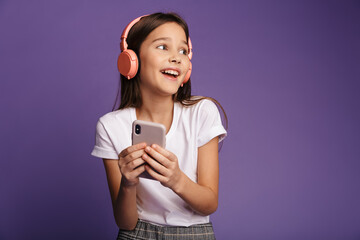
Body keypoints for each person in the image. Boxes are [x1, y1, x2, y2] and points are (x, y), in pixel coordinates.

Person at [91, 12, 227, 240]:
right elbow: (125, 222)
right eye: (163, 47)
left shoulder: (202, 111)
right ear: (131, 60)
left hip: (194, 233)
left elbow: (209, 204)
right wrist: (128, 183)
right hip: (136, 234)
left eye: (183, 51)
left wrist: (177, 180)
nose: (176, 57)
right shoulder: (110, 126)